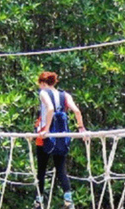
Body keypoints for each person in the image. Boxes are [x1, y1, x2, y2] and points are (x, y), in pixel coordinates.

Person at [34, 71, 86, 209]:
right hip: (62, 136)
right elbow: (77, 111)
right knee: (61, 168)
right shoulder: (65, 95)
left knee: (41, 170)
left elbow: (50, 109)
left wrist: (47, 129)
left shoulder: (44, 93)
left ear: (43, 83)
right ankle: (68, 200)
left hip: (45, 136)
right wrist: (81, 128)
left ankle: (39, 201)